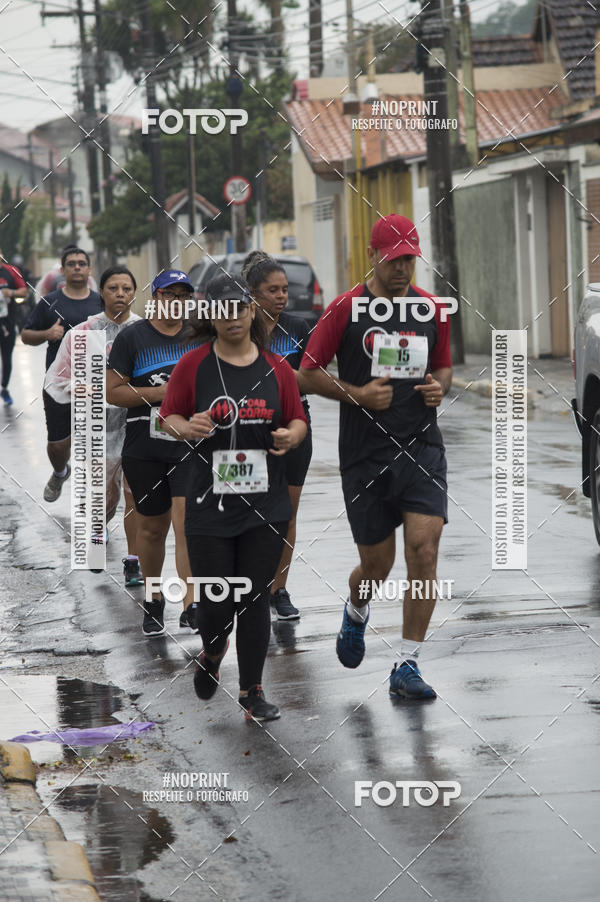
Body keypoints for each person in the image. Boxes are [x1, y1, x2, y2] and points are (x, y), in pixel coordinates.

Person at [298, 214, 452, 700]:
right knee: (377, 566)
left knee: (424, 551)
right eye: (394, 259)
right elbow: (307, 373)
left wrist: (436, 389)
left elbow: (444, 369)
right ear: (374, 256)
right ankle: (357, 611)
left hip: (423, 448)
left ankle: (407, 664)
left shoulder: (431, 310)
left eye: (410, 258)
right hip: (366, 454)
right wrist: (358, 394)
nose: (403, 268)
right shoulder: (345, 308)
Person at [160, 272, 307, 722]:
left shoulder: (277, 368)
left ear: (250, 311)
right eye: (222, 311)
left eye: (240, 308)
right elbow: (167, 418)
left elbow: (299, 420)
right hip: (208, 504)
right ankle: (212, 650)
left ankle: (252, 691)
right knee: (219, 599)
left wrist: (290, 436)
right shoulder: (194, 366)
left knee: (255, 597)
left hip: (265, 504)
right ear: (212, 316)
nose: (233, 318)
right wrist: (186, 426)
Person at [106, 270, 200, 634]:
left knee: (187, 523)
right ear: (155, 297)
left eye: (183, 294)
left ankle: (192, 603)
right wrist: (165, 394)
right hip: (144, 446)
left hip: (190, 444)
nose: (176, 300)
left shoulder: (198, 336)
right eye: (169, 293)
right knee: (151, 529)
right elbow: (114, 392)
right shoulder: (134, 337)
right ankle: (154, 598)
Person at [44, 266, 143, 585]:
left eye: (127, 289)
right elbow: (54, 381)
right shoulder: (82, 334)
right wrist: (78, 386)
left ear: (134, 293)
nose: (120, 294)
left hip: (137, 425)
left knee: (135, 495)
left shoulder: (145, 331)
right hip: (97, 429)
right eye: (113, 288)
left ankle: (133, 561)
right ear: (102, 292)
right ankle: (97, 535)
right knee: (106, 498)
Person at [241, 250, 312, 621]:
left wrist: (284, 378)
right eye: (273, 290)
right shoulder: (238, 328)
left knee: (286, 514)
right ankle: (249, 587)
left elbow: (313, 376)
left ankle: (278, 590)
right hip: (247, 431)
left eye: (285, 289)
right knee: (248, 513)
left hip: (294, 427)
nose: (282, 296)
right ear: (253, 294)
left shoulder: (299, 329)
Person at [21, 247, 102, 501]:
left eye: (81, 263)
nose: (77, 267)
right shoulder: (50, 302)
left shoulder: (102, 302)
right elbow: (25, 335)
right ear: (63, 269)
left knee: (94, 450)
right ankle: (59, 472)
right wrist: (46, 335)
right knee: (57, 446)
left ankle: (94, 514)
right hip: (58, 385)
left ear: (89, 270)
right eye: (71, 263)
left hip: (95, 385)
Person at [0, 250, 28, 405]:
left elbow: (23, 291)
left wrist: (10, 292)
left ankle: (4, 387)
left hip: (7, 322)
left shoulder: (11, 271)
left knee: (6, 357)